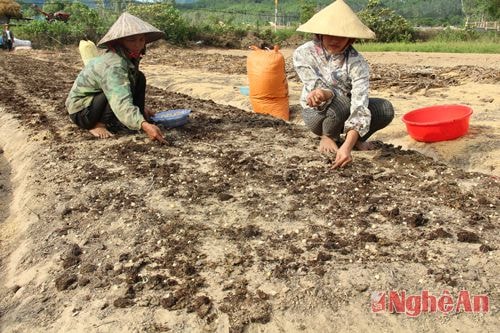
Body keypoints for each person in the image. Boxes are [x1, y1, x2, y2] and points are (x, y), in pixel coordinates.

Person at [293, 0, 394, 169]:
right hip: (317, 114)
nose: (335, 40)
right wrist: (324, 94)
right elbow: (315, 89)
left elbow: (360, 104)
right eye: (330, 34)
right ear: (320, 34)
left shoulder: (357, 62)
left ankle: (355, 140)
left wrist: (347, 148)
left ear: (350, 38)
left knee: (385, 108)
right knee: (342, 102)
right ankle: (329, 136)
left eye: (342, 35)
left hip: (346, 111)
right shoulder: (303, 53)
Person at [65, 12, 166, 142]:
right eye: (131, 40)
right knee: (113, 92)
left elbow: (128, 87)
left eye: (141, 39)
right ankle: (97, 125)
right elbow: (120, 99)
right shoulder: (114, 65)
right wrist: (145, 126)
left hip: (95, 104)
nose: (138, 45)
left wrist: (140, 111)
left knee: (139, 77)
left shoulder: (128, 58)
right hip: (82, 112)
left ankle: (137, 117)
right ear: (119, 42)